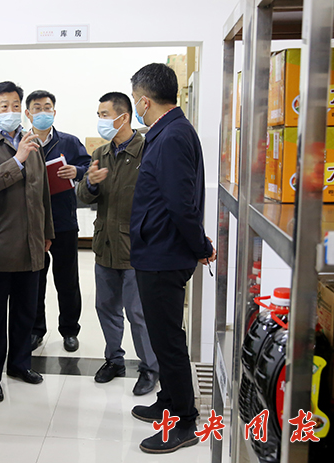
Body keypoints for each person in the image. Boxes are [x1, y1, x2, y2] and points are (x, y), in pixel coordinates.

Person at [129, 63, 216, 454]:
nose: (137, 107)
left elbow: (182, 204)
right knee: (163, 334)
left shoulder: (172, 136)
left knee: (167, 341)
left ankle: (183, 421)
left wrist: (200, 247)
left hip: (163, 254)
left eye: (136, 100)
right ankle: (168, 400)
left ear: (145, 101)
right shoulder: (170, 131)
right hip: (158, 250)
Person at [0, 81, 54, 403]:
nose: (12, 111)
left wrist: (47, 232)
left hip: (31, 244)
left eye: (16, 105)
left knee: (25, 312)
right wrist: (16, 160)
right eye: (5, 106)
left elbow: (42, 192)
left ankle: (19, 364)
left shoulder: (31, 141)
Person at [77, 92, 159, 397]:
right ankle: (114, 359)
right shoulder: (100, 153)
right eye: (98, 115)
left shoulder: (147, 151)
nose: (100, 121)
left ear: (123, 117)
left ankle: (150, 367)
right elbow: (83, 196)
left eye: (105, 115)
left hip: (137, 248)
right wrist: (90, 182)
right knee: (106, 307)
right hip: (105, 244)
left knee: (138, 313)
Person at [24, 90, 90, 353]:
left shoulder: (69, 142)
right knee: (35, 282)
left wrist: (77, 171)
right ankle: (35, 330)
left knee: (67, 281)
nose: (43, 112)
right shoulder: (21, 142)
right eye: (37, 108)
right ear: (28, 113)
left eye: (47, 107)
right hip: (32, 224)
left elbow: (88, 167)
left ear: (54, 111)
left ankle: (70, 330)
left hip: (63, 222)